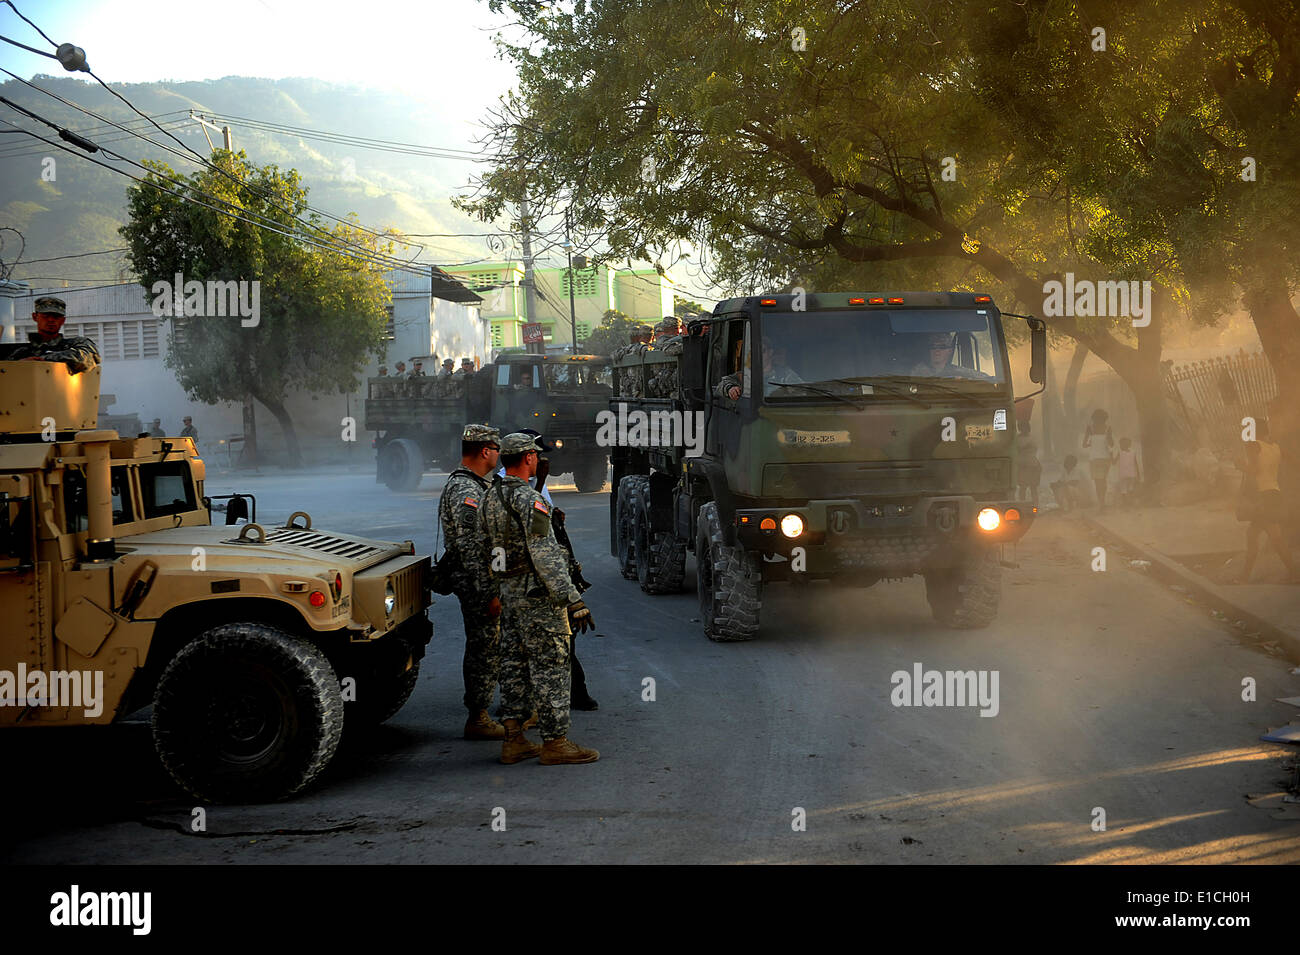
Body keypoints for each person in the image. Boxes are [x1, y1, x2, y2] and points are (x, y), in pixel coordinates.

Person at [482, 432, 599, 765]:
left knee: (513, 664)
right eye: (535, 455)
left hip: (508, 591)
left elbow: (483, 550)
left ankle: (514, 738)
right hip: (537, 595)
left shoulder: (490, 497)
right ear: (529, 458)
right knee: (551, 664)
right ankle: (555, 742)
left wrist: (494, 590)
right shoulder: (530, 500)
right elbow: (544, 553)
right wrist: (573, 599)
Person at [438, 424, 508, 740]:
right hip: (477, 584)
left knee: (489, 644)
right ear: (485, 451)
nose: (499, 456)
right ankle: (477, 716)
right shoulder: (466, 490)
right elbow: (469, 547)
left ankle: (486, 709)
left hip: (480, 581)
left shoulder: (476, 485)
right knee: (484, 647)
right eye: (496, 450)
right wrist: (490, 592)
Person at [1240, 419, 1298, 583]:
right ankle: (1244, 577)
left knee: (1272, 537)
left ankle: (1294, 573)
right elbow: (1295, 463)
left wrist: (1239, 465)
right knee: (1254, 535)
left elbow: (1254, 470)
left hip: (1262, 497)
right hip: (1274, 494)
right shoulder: (1276, 448)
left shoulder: (1253, 446)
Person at [0, 296, 99, 373]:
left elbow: (86, 358)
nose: (51, 320)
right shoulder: (20, 352)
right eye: (45, 316)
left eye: (56, 316)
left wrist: (41, 360)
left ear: (63, 320)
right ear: (35, 317)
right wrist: (18, 365)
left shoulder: (77, 344)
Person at [1082, 408, 1114, 509]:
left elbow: (1084, 444)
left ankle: (1101, 502)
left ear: (1093, 418)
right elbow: (1111, 444)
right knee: (1103, 480)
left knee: (1097, 481)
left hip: (1094, 458)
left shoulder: (1090, 428)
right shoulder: (1108, 428)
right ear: (1105, 419)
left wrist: (1091, 443)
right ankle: (1102, 501)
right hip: (1105, 458)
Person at [1016, 419, 1041, 508]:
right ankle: (1022, 506)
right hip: (1022, 466)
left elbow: (1034, 449)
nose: (1024, 429)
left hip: (1033, 466)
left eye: (1026, 427)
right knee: (1023, 488)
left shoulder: (1033, 438)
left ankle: (1035, 506)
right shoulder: (1017, 439)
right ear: (1020, 428)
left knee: (1033, 488)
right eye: (1022, 427)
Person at [1114, 436, 1140, 505]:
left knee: (1124, 489)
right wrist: (1138, 474)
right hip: (1131, 473)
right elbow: (1136, 463)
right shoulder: (1133, 452)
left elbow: (1114, 462)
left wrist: (1110, 455)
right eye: (1120, 444)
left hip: (1124, 474)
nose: (1120, 446)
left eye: (1121, 444)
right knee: (1129, 489)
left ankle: (1126, 503)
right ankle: (1129, 503)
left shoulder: (1120, 452)